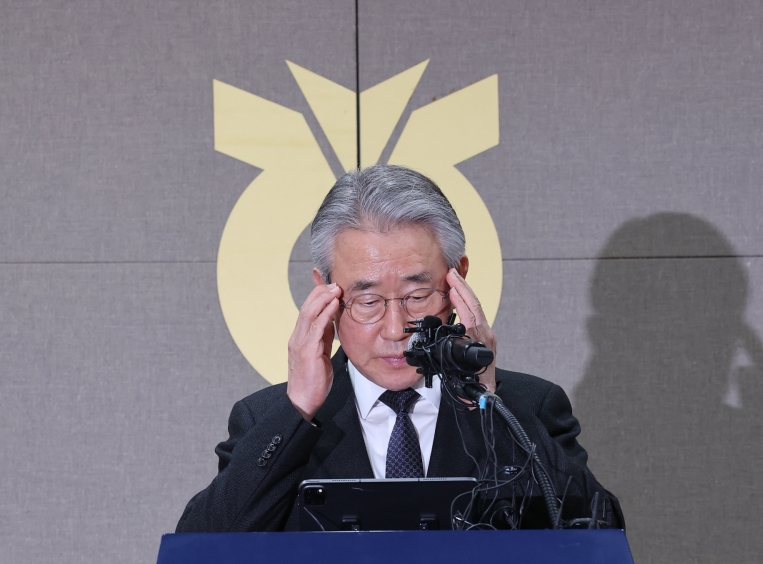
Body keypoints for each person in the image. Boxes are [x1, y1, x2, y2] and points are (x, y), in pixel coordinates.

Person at [177, 165, 621, 532]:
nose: (395, 330)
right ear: (324, 292)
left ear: (458, 279)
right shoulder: (269, 420)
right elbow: (200, 557)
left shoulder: (526, 407)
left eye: (417, 296)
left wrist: (485, 401)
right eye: (367, 301)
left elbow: (599, 536)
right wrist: (298, 411)